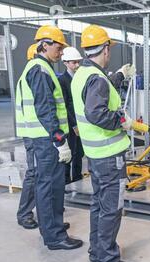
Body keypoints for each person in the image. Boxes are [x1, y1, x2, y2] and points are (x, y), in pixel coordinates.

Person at [71, 25, 149, 262]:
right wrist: (122, 120)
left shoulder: (83, 74)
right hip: (108, 156)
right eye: (109, 49)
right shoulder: (95, 78)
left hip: (94, 154)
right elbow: (96, 112)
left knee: (98, 204)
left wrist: (119, 75)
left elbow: (98, 89)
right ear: (105, 48)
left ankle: (97, 250)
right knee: (112, 208)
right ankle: (106, 260)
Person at [17, 25, 82, 250]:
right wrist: (59, 140)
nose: (61, 52)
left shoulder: (41, 68)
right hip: (46, 140)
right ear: (44, 45)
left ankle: (52, 226)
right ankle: (54, 237)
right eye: (58, 46)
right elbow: (45, 109)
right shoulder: (40, 70)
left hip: (44, 139)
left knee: (51, 185)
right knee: (50, 186)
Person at [15, 44, 38, 230]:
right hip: (33, 134)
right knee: (34, 173)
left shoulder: (28, 73)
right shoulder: (33, 73)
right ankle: (24, 213)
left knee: (39, 173)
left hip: (34, 133)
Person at [58, 47, 84, 184]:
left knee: (79, 152)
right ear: (66, 63)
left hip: (81, 121)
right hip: (70, 124)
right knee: (70, 153)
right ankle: (66, 182)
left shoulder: (80, 79)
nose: (77, 65)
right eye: (74, 62)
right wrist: (74, 124)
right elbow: (64, 105)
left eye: (78, 62)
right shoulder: (62, 80)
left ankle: (78, 178)